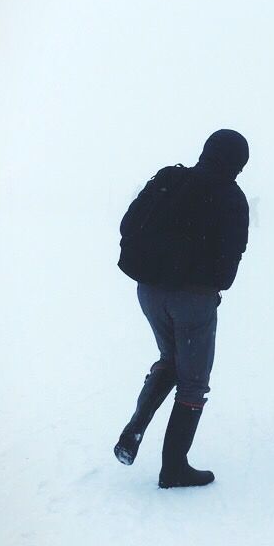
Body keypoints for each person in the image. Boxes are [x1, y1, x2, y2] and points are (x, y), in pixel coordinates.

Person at [114, 129, 250, 486]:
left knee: (171, 360)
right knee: (193, 383)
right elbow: (231, 259)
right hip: (193, 299)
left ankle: (135, 428)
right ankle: (174, 467)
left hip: (149, 291)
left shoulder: (170, 178)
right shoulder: (232, 198)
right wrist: (207, 281)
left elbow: (128, 224)